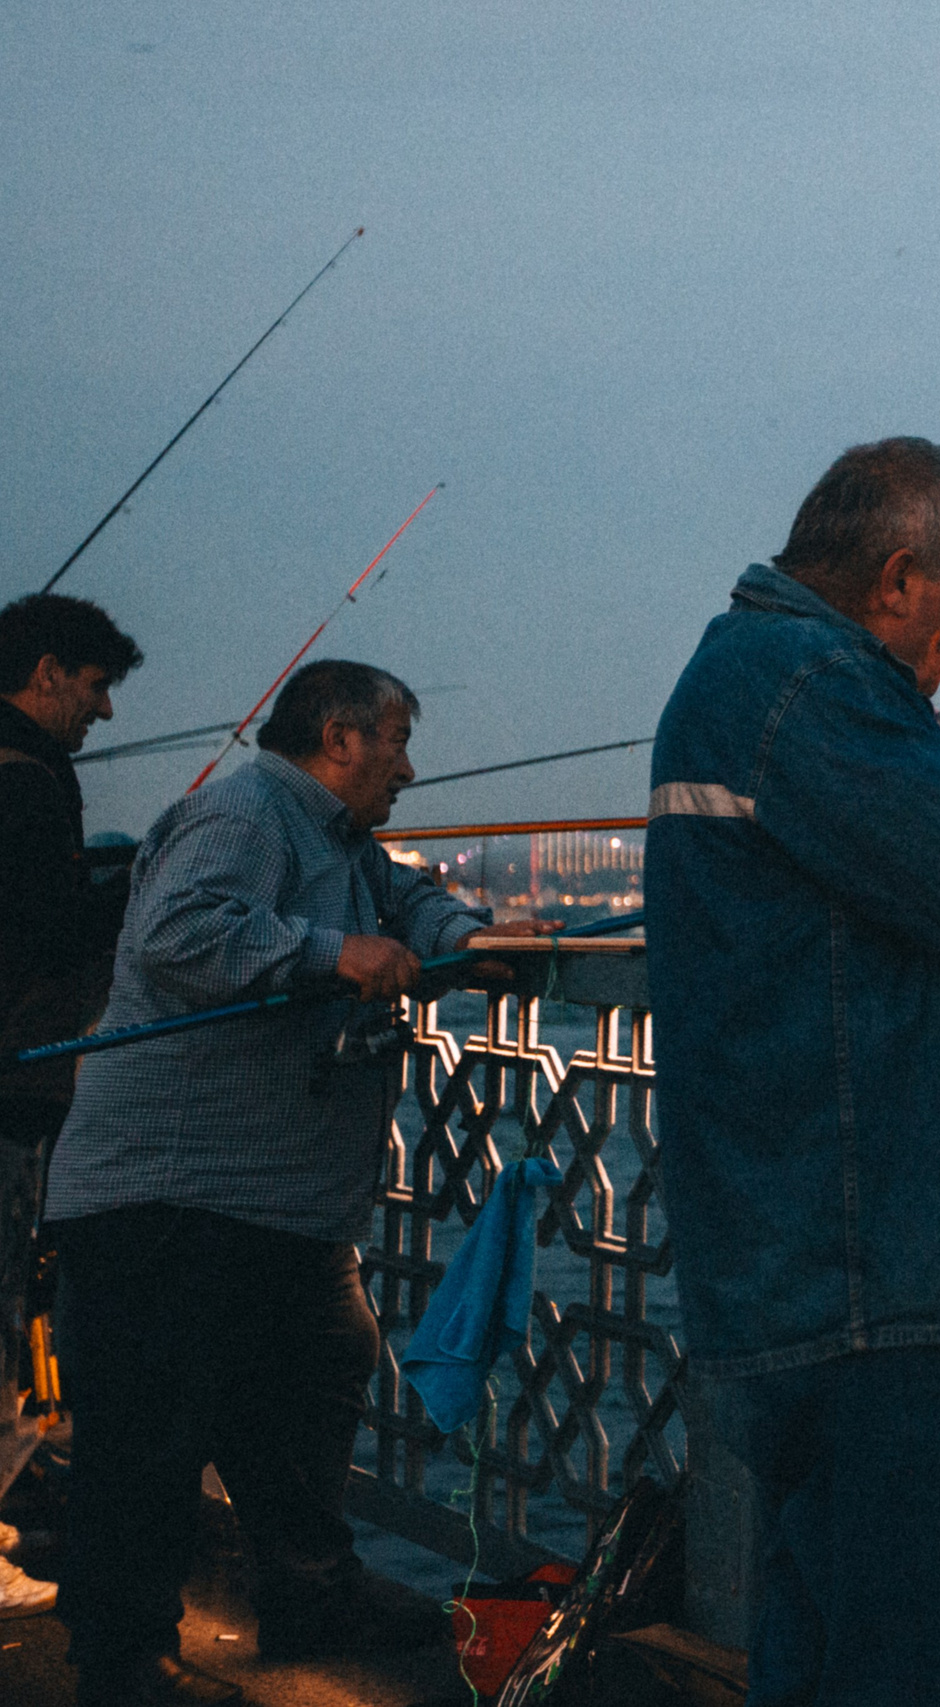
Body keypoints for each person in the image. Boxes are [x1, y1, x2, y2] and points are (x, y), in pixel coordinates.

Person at [650, 437, 940, 1704]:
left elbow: (872, 894)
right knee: (931, 1650)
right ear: (900, 578)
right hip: (875, 1275)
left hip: (815, 1256)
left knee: (831, 1634)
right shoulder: (808, 682)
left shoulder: (761, 673)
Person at [44, 660, 558, 1707]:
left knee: (318, 1374)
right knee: (149, 1436)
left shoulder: (345, 842)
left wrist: (469, 941)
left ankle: (313, 1593)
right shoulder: (241, 814)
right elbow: (179, 933)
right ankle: (122, 1658)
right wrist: (334, 953)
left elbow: (411, 903)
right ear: (339, 737)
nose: (407, 769)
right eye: (397, 742)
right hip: (173, 1193)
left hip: (280, 1204)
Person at [0, 595, 145, 1621]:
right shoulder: (24, 780)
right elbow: (42, 933)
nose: (103, 710)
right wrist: (136, 885)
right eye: (95, 687)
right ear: (48, 672)